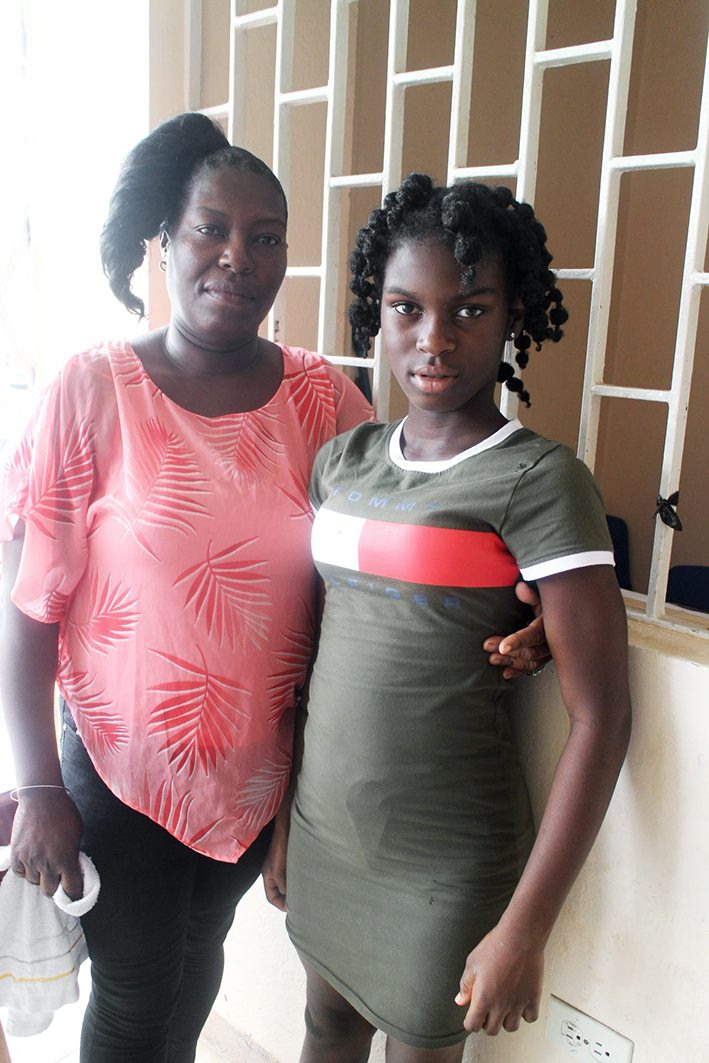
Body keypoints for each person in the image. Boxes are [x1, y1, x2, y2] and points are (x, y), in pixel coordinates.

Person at [0, 117, 545, 1063]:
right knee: (134, 991)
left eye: (265, 238)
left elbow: (410, 515)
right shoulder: (92, 388)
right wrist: (38, 782)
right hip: (120, 768)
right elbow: (29, 601)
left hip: (258, 774)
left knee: (197, 956)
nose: (236, 257)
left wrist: (529, 595)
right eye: (209, 230)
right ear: (163, 241)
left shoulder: (322, 398)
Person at [270, 174, 632, 1062]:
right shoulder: (342, 461)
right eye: (406, 308)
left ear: (513, 316)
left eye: (468, 309)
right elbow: (316, 655)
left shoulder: (538, 480)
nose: (433, 339)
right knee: (323, 1026)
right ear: (378, 311)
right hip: (325, 830)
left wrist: (523, 928)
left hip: (443, 857)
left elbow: (601, 717)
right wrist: (283, 824)